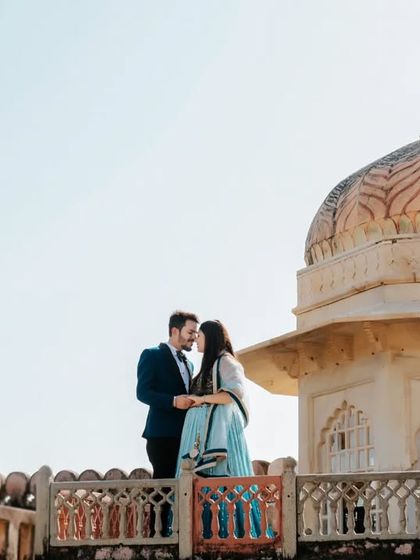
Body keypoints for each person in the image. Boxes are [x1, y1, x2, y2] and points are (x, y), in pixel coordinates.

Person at [175, 320, 260, 538]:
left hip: (218, 432)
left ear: (210, 338)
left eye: (199, 336)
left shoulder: (226, 362)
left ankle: (226, 532)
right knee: (192, 479)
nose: (195, 341)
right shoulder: (210, 364)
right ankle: (195, 530)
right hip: (198, 431)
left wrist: (200, 399)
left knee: (220, 476)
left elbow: (233, 394)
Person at [136, 310, 199, 479]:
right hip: (161, 435)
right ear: (174, 331)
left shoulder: (190, 364)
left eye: (196, 333)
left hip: (185, 436)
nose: (194, 337)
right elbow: (142, 392)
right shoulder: (151, 355)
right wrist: (173, 401)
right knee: (164, 490)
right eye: (190, 332)